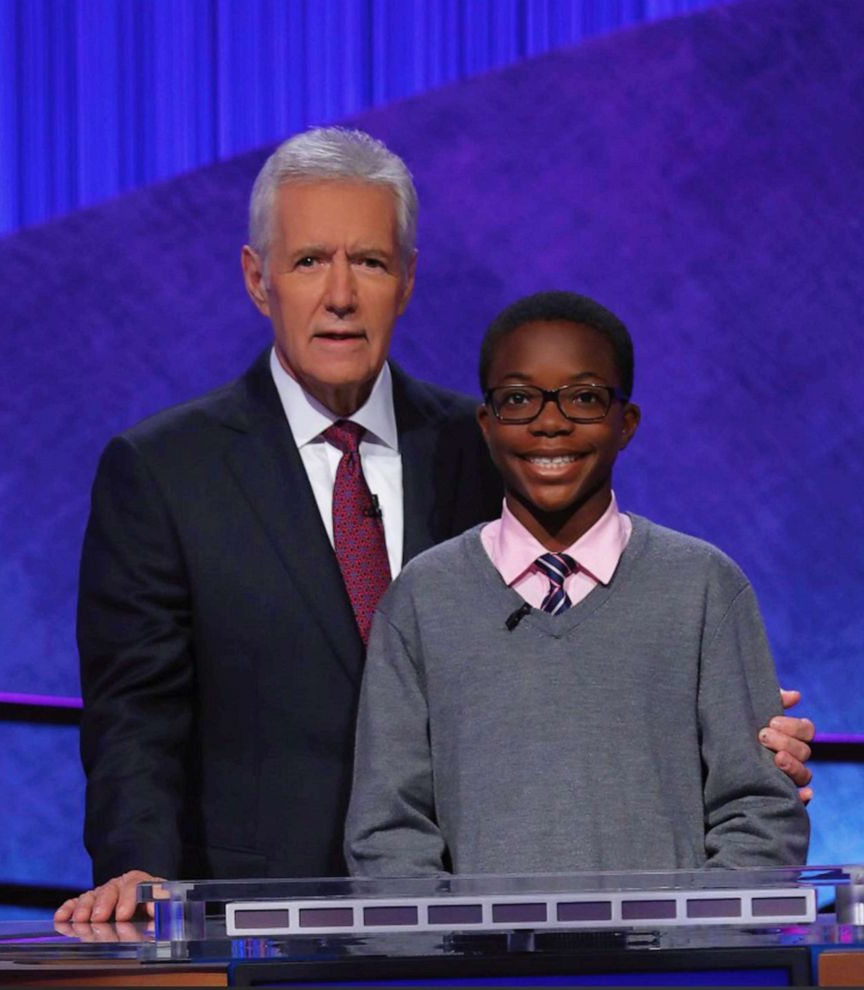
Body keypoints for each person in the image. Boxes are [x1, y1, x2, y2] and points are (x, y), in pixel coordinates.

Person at [56, 130, 813, 923]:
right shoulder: (165, 469)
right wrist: (138, 864)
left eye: (371, 262)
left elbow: (604, 627)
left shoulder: (494, 442)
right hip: (262, 912)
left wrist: (728, 728)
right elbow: (135, 710)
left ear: (408, 280)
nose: (341, 295)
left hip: (470, 918)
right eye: (310, 260)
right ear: (257, 279)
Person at [344, 291, 809, 876]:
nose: (550, 421)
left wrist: (689, 948)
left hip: (669, 967)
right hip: (482, 968)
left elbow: (760, 813)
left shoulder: (703, 588)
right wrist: (455, 961)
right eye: (519, 400)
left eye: (584, 398)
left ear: (626, 423)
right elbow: (388, 834)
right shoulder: (422, 599)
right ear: (486, 425)